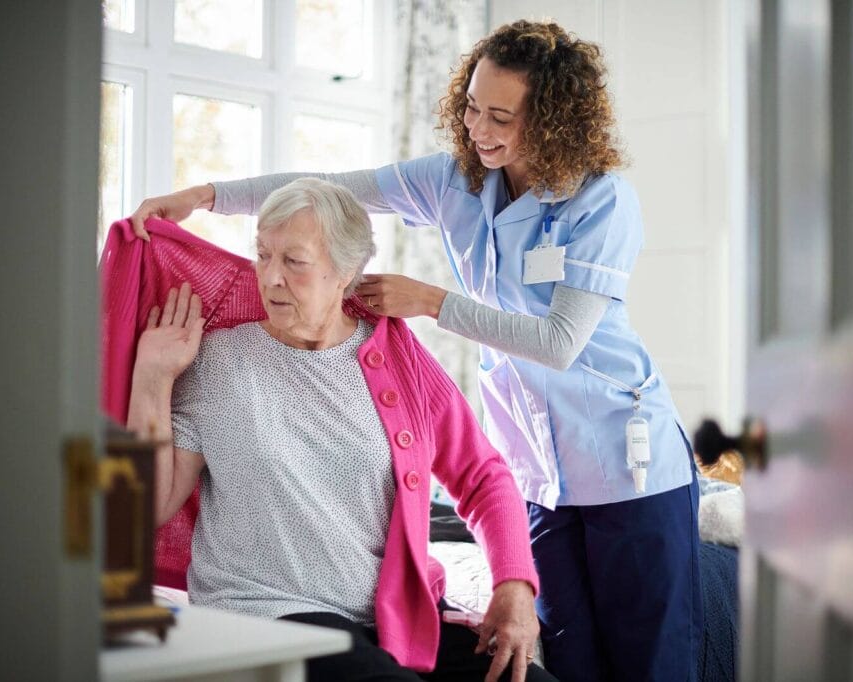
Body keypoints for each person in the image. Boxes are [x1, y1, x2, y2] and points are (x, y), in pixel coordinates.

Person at [131, 20, 702, 681]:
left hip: (626, 459)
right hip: (541, 469)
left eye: (501, 117)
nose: (479, 129)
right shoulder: (455, 180)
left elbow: (559, 343)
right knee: (572, 661)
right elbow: (330, 185)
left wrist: (431, 302)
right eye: (470, 107)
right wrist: (205, 196)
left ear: (550, 121)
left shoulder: (601, 202)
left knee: (649, 663)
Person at [125, 179, 556, 682]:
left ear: (345, 272)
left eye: (295, 261)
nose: (271, 278)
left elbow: (483, 474)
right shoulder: (219, 361)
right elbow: (148, 506)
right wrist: (152, 379)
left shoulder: (398, 357)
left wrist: (514, 586)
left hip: (391, 622)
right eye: (263, 255)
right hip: (269, 614)